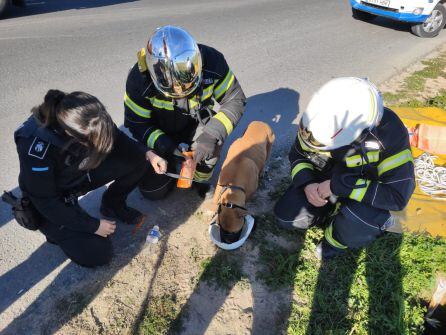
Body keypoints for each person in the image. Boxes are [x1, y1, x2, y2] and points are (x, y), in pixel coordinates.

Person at [14, 89, 166, 267]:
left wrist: (148, 153)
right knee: (98, 254)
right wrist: (93, 226)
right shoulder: (36, 147)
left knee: (138, 158)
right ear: (73, 135)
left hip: (78, 175)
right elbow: (46, 202)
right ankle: (56, 233)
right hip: (50, 199)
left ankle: (112, 204)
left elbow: (117, 138)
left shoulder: (88, 115)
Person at [274, 77, 415, 259]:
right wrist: (307, 183)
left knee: (360, 221)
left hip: (362, 193)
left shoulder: (390, 134)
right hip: (326, 183)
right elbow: (298, 154)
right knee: (287, 217)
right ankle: (328, 212)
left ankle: (335, 240)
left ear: (359, 135)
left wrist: (336, 186)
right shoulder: (315, 124)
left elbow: (396, 197)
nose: (314, 144)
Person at [124, 25, 246, 199]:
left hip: (196, 126)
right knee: (152, 191)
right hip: (159, 132)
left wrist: (211, 135)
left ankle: (199, 181)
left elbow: (235, 100)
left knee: (210, 148)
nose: (180, 91)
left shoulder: (212, 61)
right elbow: (137, 123)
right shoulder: (139, 79)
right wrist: (164, 145)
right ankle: (174, 166)